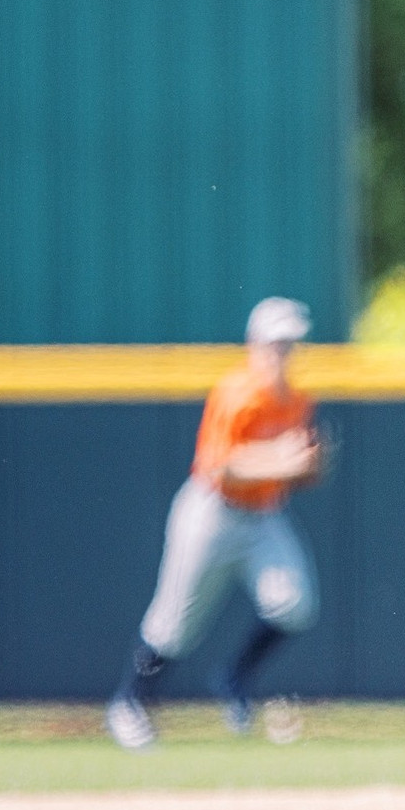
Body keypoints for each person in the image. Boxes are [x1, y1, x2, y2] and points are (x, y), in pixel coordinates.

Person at [105, 297, 324, 751]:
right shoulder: (237, 393)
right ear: (254, 345)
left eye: (291, 344)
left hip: (263, 515)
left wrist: (308, 466)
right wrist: (282, 461)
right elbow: (219, 467)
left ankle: (233, 676)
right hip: (212, 512)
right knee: (174, 624)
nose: (283, 354)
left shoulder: (298, 400)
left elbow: (299, 472)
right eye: (276, 344)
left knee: (295, 603)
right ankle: (129, 703)